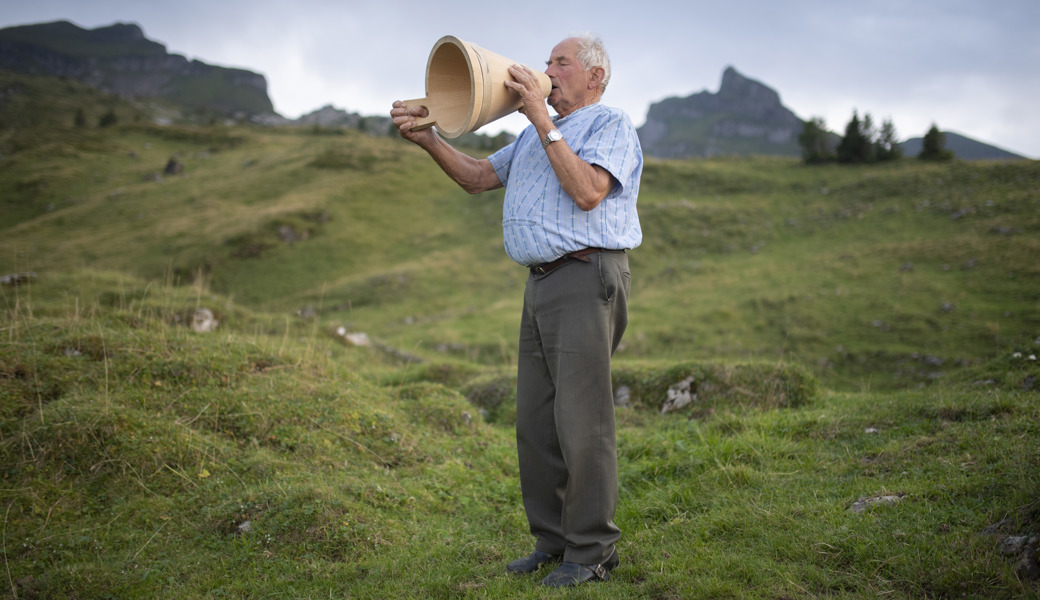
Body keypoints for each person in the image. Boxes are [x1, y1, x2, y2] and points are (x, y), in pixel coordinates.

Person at [391, 33, 642, 588]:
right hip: (543, 283)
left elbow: (588, 192)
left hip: (586, 275)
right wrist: (428, 138)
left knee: (583, 422)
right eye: (546, 60)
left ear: (595, 77)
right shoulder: (535, 135)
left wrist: (539, 118)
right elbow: (479, 177)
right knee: (534, 422)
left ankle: (594, 551)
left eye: (561, 63)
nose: (545, 70)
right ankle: (553, 543)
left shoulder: (610, 124)